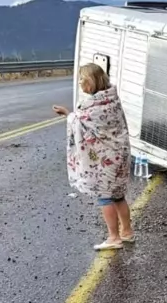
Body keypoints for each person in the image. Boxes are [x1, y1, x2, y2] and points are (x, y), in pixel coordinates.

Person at [53, 63, 134, 251]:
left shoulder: (95, 105)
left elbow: (80, 122)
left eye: (82, 80)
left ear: (90, 82)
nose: (80, 83)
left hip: (107, 158)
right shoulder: (112, 99)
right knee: (118, 195)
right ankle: (127, 231)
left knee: (105, 197)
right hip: (120, 153)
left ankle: (114, 237)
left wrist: (67, 114)